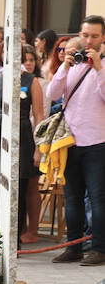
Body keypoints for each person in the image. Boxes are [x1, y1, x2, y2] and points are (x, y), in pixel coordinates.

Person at [46, 15, 105, 266]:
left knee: (97, 197)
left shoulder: (101, 65)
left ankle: (99, 249)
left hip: (97, 142)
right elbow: (52, 94)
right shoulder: (74, 64)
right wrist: (64, 66)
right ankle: (74, 246)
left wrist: (98, 69)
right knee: (71, 198)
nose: (89, 40)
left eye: (94, 36)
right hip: (70, 141)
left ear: (103, 38)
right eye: (85, 35)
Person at [0, 47, 43, 236]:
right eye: (6, 52)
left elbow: (38, 116)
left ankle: (14, 238)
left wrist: (39, 148)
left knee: (18, 190)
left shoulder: (31, 80)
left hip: (22, 139)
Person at [21, 43, 45, 244]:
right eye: (25, 60)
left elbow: (40, 114)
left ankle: (33, 230)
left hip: (33, 136)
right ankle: (22, 228)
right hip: (18, 136)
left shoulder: (38, 83)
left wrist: (39, 145)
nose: (28, 63)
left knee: (31, 185)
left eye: (31, 60)